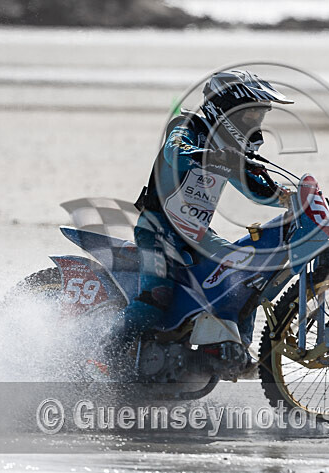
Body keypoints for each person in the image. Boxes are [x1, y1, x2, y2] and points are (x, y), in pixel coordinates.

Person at [125, 70, 294, 348]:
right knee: (155, 298)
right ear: (226, 109)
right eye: (251, 115)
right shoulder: (188, 125)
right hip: (158, 228)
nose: (256, 123)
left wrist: (288, 197)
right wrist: (214, 155)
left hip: (198, 234)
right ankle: (103, 354)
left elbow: (255, 189)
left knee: (245, 279)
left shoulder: (230, 150)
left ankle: (236, 352)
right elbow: (175, 152)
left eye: (260, 116)